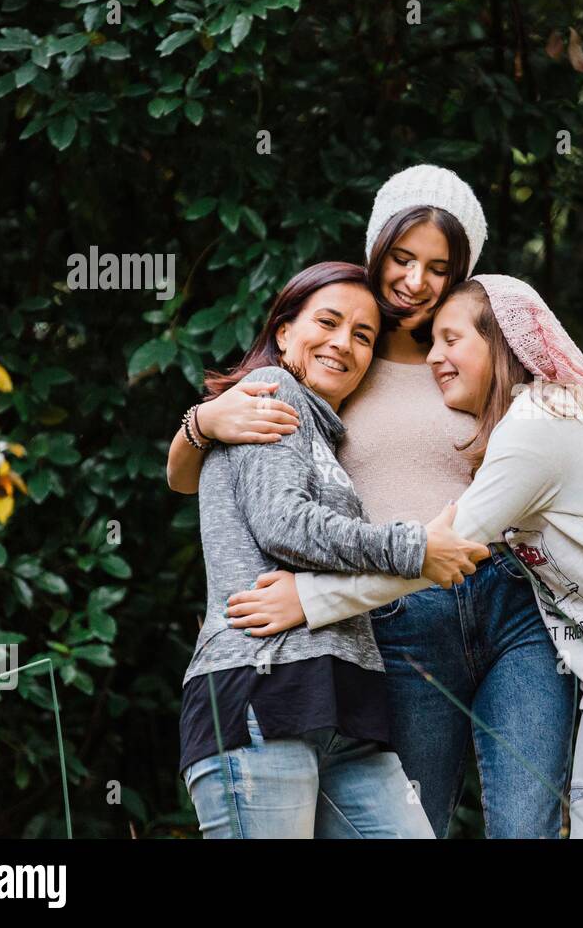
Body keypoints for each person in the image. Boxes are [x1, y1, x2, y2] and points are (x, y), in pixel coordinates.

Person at [167, 165, 583, 838]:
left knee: (527, 824)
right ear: (377, 247)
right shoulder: (338, 348)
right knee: (424, 820)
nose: (415, 281)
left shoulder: (474, 348)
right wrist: (201, 423)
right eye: (402, 257)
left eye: (438, 267)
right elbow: (201, 475)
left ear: (461, 271)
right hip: (396, 608)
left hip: (511, 599)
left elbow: (561, 425)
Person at [229, 274, 583, 838]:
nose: (434, 357)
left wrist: (311, 598)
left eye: (450, 339)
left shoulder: (537, 428)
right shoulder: (521, 435)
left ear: (500, 345)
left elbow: (442, 551)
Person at [177, 260, 485, 838]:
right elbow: (284, 524)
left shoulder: (324, 432)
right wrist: (414, 548)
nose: (344, 343)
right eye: (329, 321)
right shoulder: (270, 395)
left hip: (344, 708)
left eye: (363, 336)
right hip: (262, 694)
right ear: (285, 331)